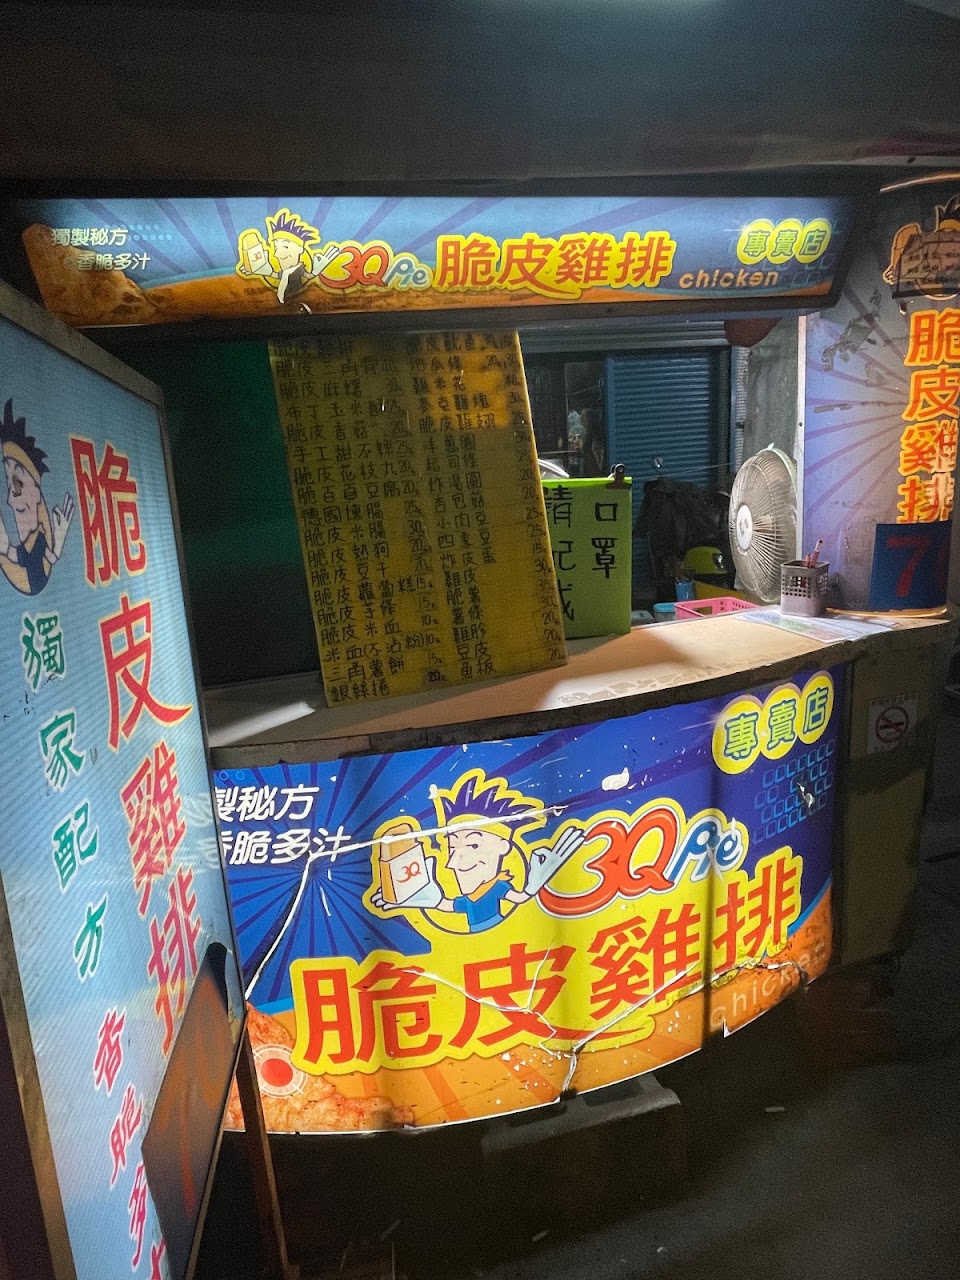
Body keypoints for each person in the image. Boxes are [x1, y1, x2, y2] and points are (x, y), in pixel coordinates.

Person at [372, 770, 583, 934]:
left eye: (473, 845)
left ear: (503, 846)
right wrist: (414, 898)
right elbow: (444, 904)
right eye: (451, 848)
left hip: (507, 938)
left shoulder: (498, 886)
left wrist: (536, 883)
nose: (452, 863)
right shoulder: (468, 899)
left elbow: (519, 898)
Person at [0, 398, 73, 595]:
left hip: (36, 585)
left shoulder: (38, 539)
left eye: (18, 484)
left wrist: (60, 539)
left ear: (37, 492)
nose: (10, 500)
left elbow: (49, 557)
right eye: (9, 482)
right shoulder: (35, 539)